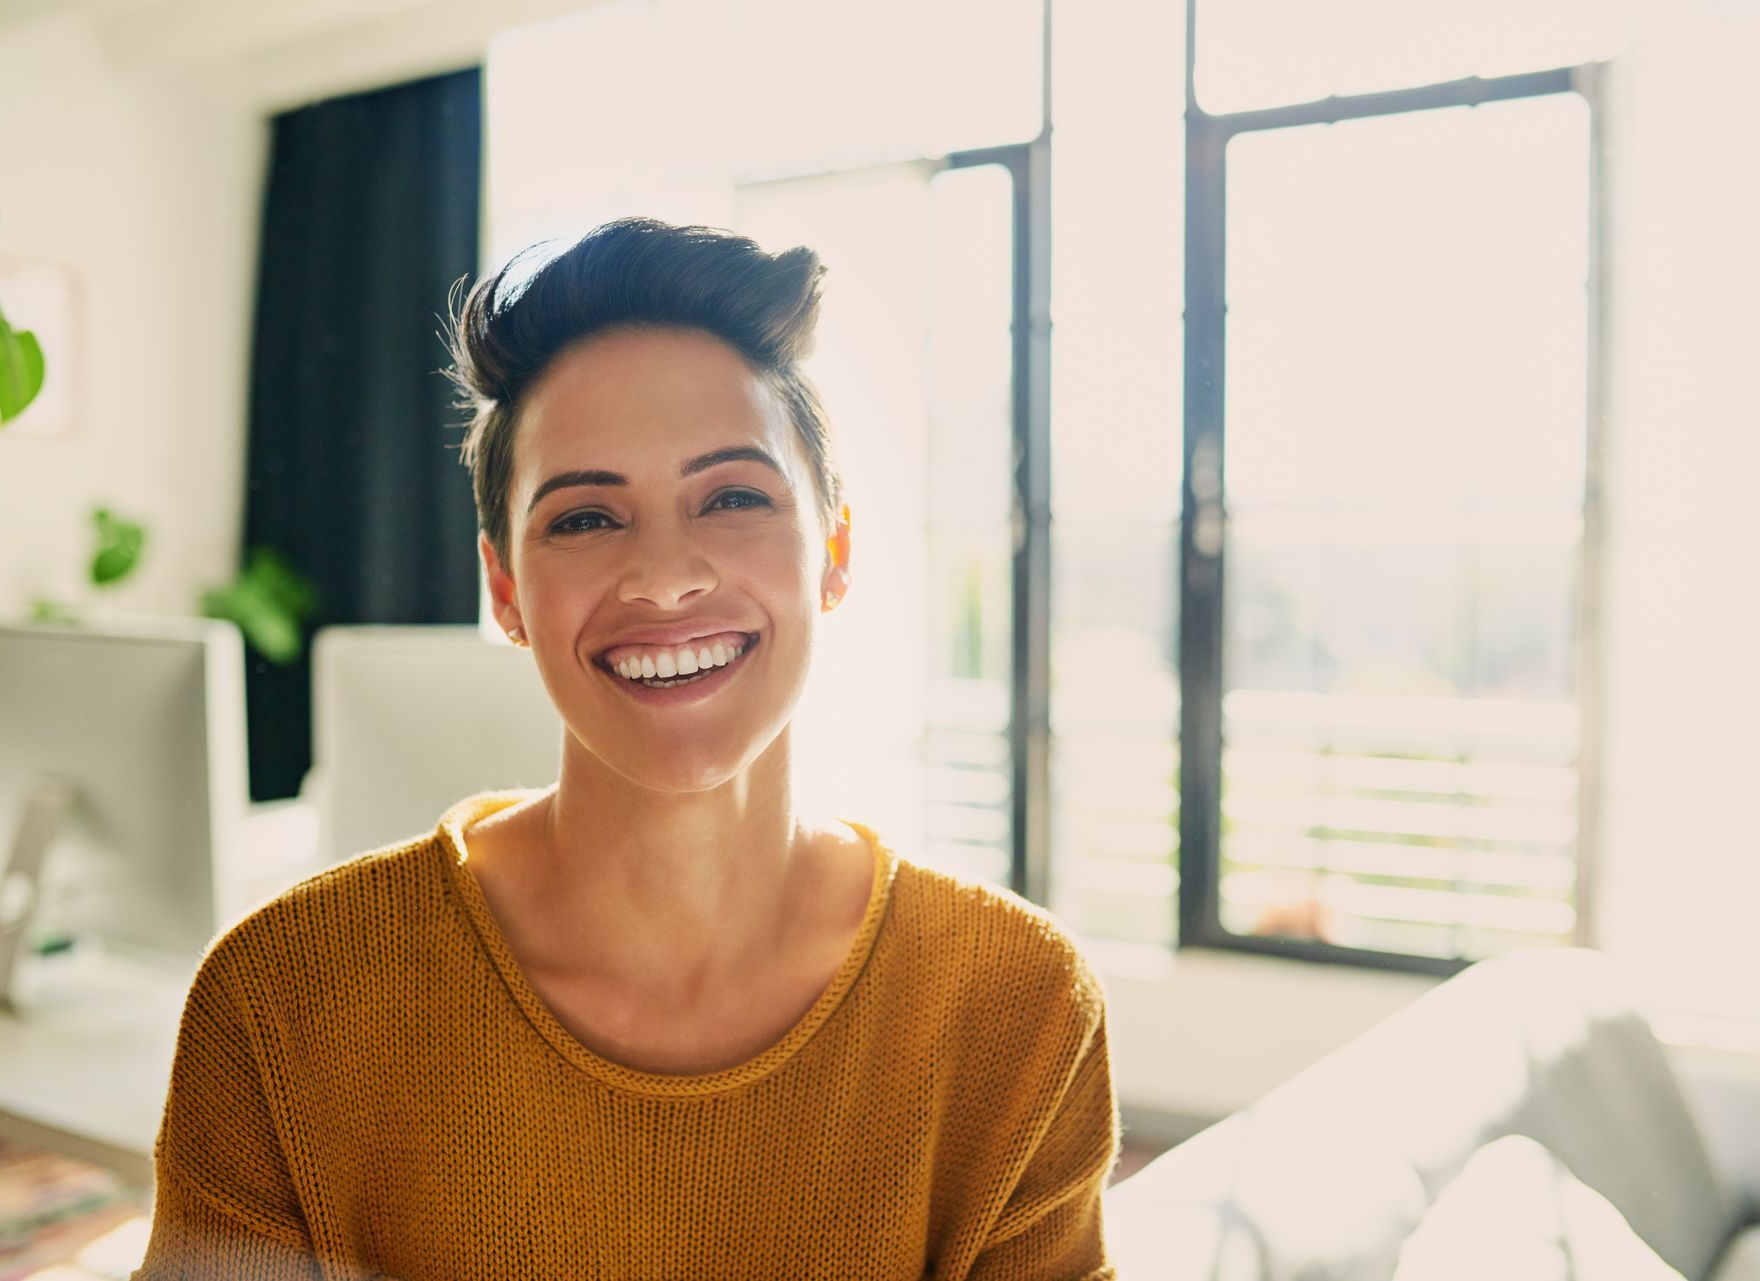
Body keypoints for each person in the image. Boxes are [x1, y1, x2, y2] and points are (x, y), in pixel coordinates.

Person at [134, 218, 1120, 1280]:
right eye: (584, 518)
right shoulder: (283, 999)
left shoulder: (1016, 1005)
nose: (662, 576)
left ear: (834, 552)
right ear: (505, 589)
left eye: (734, 497)